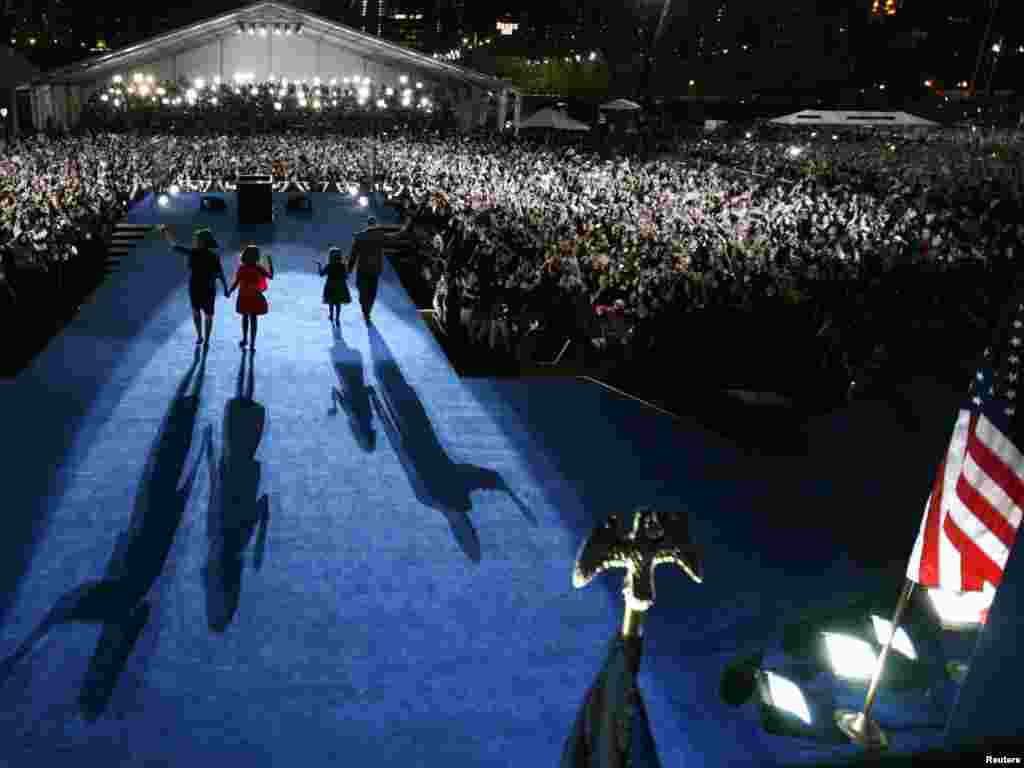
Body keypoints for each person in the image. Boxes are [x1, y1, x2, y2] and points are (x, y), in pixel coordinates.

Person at [161, 225, 228, 346]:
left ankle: (200, 336)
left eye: (197, 239)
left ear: (202, 241)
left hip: (196, 287)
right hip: (208, 287)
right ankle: (205, 339)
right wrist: (226, 289)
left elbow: (175, 246)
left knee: (197, 312)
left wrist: (165, 232)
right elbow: (220, 273)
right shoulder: (213, 256)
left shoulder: (194, 253)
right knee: (208, 314)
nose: (195, 241)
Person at [227, 244, 274, 351]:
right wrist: (270, 263)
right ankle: (252, 344)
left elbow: (236, 282)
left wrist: (229, 291)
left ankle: (244, 339)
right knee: (253, 320)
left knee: (245, 318)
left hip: (244, 295)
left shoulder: (242, 268)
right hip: (255, 296)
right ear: (256, 256)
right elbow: (271, 276)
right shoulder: (258, 268)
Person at [349, 217, 385, 322]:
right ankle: (367, 312)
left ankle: (365, 310)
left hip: (362, 268)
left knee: (362, 290)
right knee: (372, 292)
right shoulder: (380, 237)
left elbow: (353, 254)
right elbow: (395, 237)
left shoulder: (360, 236)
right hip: (375, 270)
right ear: (375, 224)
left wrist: (349, 269)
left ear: (367, 224)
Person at [314, 246, 352, 324]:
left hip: (330, 286)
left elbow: (321, 274)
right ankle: (337, 318)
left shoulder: (329, 265)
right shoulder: (342, 266)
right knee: (338, 303)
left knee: (331, 301)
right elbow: (346, 276)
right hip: (340, 286)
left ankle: (331, 316)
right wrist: (346, 264)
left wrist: (319, 265)